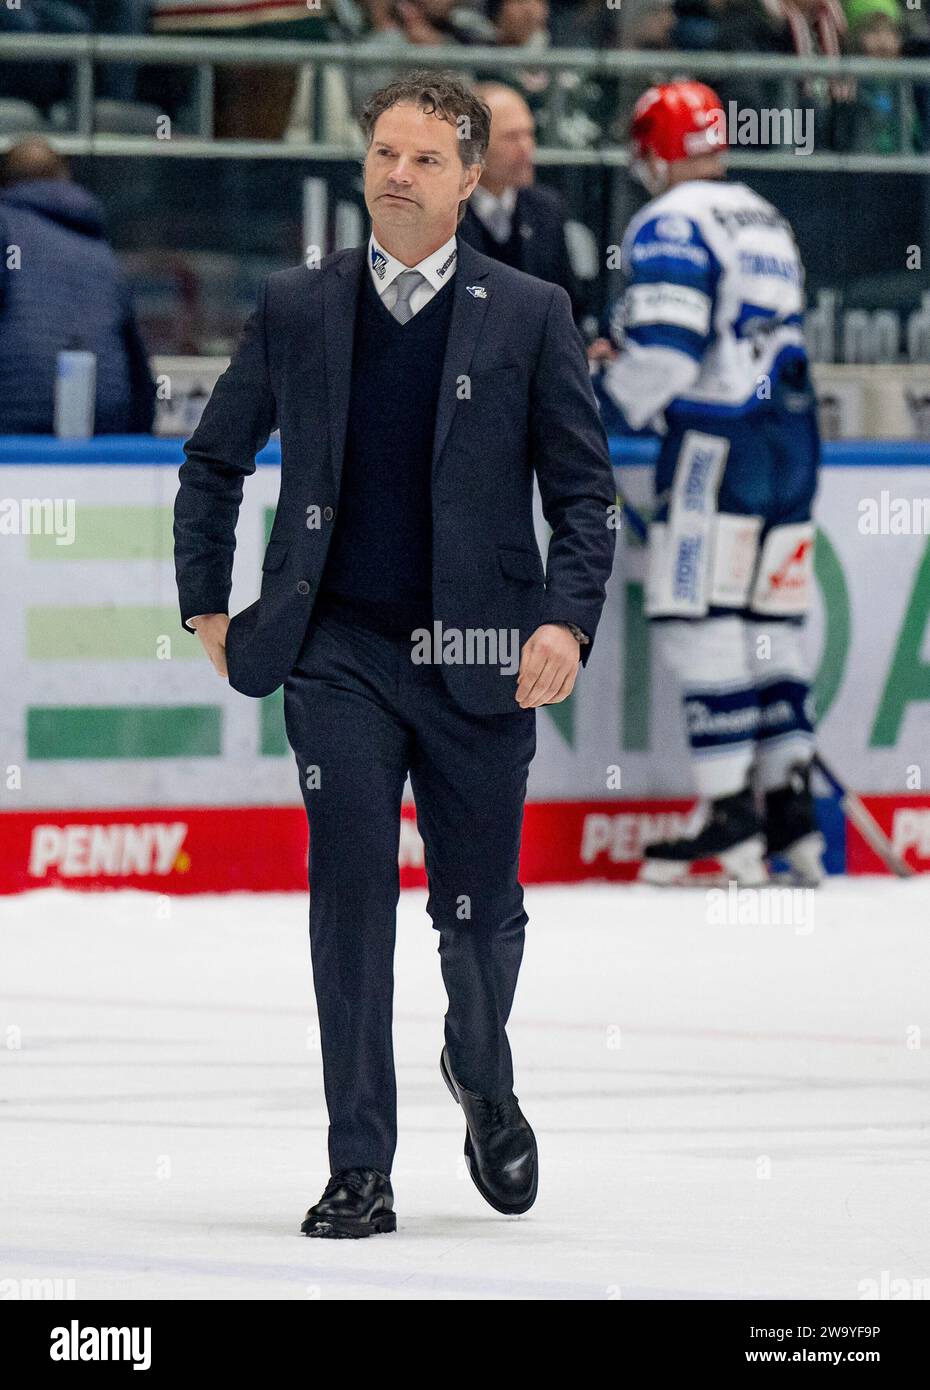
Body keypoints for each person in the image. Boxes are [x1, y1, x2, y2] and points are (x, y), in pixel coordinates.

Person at [174, 71, 615, 1237]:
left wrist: (566, 620)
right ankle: (358, 1164)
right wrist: (205, 610)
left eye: (424, 159)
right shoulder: (296, 304)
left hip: (479, 656)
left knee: (480, 921)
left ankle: (481, 1066)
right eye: (383, 154)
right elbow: (213, 463)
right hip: (337, 655)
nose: (397, 176)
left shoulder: (531, 313)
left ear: (472, 178)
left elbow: (586, 497)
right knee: (350, 901)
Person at [593, 81, 825, 887]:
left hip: (718, 440)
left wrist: (596, 401)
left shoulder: (670, 221)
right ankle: (789, 806)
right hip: (794, 440)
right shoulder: (764, 214)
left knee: (696, 611)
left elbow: (667, 349)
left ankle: (729, 816)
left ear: (656, 150)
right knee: (772, 614)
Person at [0, 138, 155, 436]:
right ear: (65, 180)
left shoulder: (5, 225)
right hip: (103, 428)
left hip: (12, 428)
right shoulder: (102, 253)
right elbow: (138, 372)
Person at [458, 82, 585, 325]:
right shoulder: (444, 215)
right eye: (511, 137)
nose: (527, 148)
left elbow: (569, 305)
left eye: (529, 134)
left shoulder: (547, 210)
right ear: (473, 147)